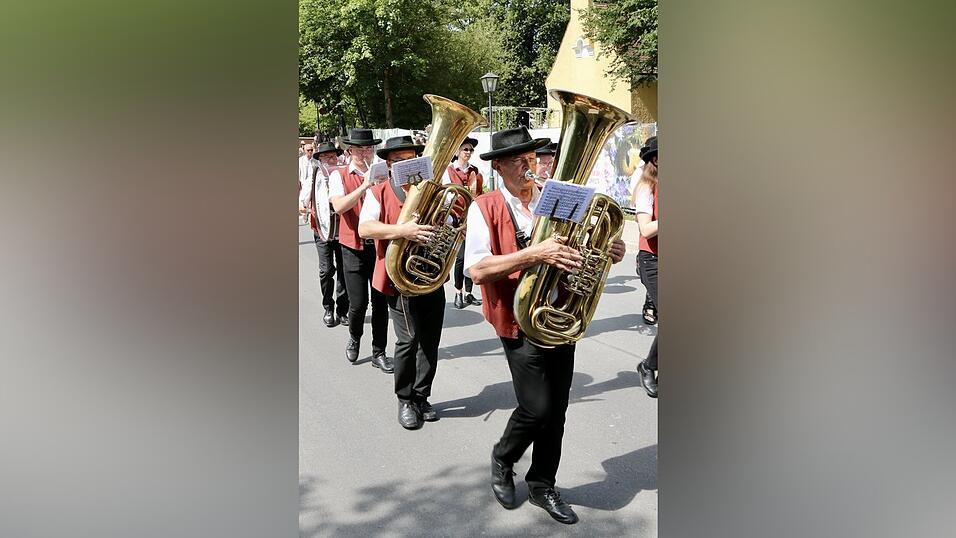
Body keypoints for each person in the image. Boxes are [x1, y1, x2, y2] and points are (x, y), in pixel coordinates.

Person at [464, 127, 627, 525]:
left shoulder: (557, 202)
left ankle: (542, 484)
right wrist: (535, 253)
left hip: (560, 315)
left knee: (557, 411)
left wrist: (609, 251)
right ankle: (503, 457)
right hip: (518, 319)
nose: (527, 165)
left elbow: (581, 253)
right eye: (517, 160)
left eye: (531, 158)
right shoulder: (483, 207)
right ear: (498, 166)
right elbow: (477, 270)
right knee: (536, 408)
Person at [358, 135, 447, 430]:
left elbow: (453, 224)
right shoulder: (379, 191)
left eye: (413, 158)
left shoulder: (433, 191)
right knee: (409, 340)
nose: (408, 164)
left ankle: (422, 396)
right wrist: (402, 230)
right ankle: (405, 398)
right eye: (400, 160)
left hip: (431, 275)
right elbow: (365, 227)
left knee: (430, 340)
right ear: (389, 164)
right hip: (398, 277)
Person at [329, 129, 392, 373]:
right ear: (350, 151)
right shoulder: (339, 175)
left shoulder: (383, 174)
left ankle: (379, 351)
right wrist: (365, 186)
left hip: (378, 246)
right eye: (360, 149)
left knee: (380, 302)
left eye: (369, 149)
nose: (366, 153)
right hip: (352, 247)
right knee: (358, 304)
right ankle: (355, 336)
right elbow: (339, 206)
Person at [301, 142, 350, 328]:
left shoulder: (343, 175)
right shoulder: (314, 178)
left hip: (343, 230)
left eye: (333, 156)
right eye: (326, 157)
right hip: (322, 231)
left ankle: (343, 310)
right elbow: (303, 201)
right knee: (326, 270)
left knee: (345, 271)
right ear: (319, 159)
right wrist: (307, 208)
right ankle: (328, 306)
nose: (331, 159)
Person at [441, 137, 484, 309]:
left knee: (471, 256)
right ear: (458, 151)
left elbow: (479, 192)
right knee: (460, 257)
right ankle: (458, 292)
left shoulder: (475, 170)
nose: (468, 153)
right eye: (465, 149)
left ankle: (469, 293)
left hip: (471, 216)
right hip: (455, 218)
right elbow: (444, 194)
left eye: (470, 150)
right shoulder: (449, 170)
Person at [634, 136, 659, 398]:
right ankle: (647, 366)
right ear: (655, 159)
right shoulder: (646, 187)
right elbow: (645, 229)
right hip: (653, 260)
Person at [298, 143, 317, 224]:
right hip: (303, 183)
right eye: (308, 150)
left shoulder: (316, 161)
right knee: (303, 200)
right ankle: (304, 212)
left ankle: (311, 215)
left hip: (313, 183)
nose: (310, 152)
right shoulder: (300, 160)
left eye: (311, 150)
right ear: (304, 151)